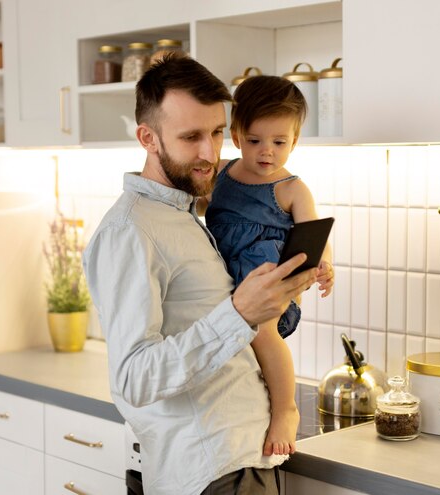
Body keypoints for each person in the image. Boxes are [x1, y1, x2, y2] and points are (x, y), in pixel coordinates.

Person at [83, 54, 317, 495]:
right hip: (214, 471)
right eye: (191, 137)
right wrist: (239, 313)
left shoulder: (187, 212)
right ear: (148, 138)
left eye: (214, 132)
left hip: (234, 457)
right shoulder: (131, 231)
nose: (210, 154)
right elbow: (134, 379)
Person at [198, 75, 334, 457]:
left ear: (295, 140)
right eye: (255, 141)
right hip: (227, 282)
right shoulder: (220, 174)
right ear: (236, 134)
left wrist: (325, 265)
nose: (266, 152)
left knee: (260, 333)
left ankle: (284, 410)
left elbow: (315, 236)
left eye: (279, 142)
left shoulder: (291, 189)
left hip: (269, 281)